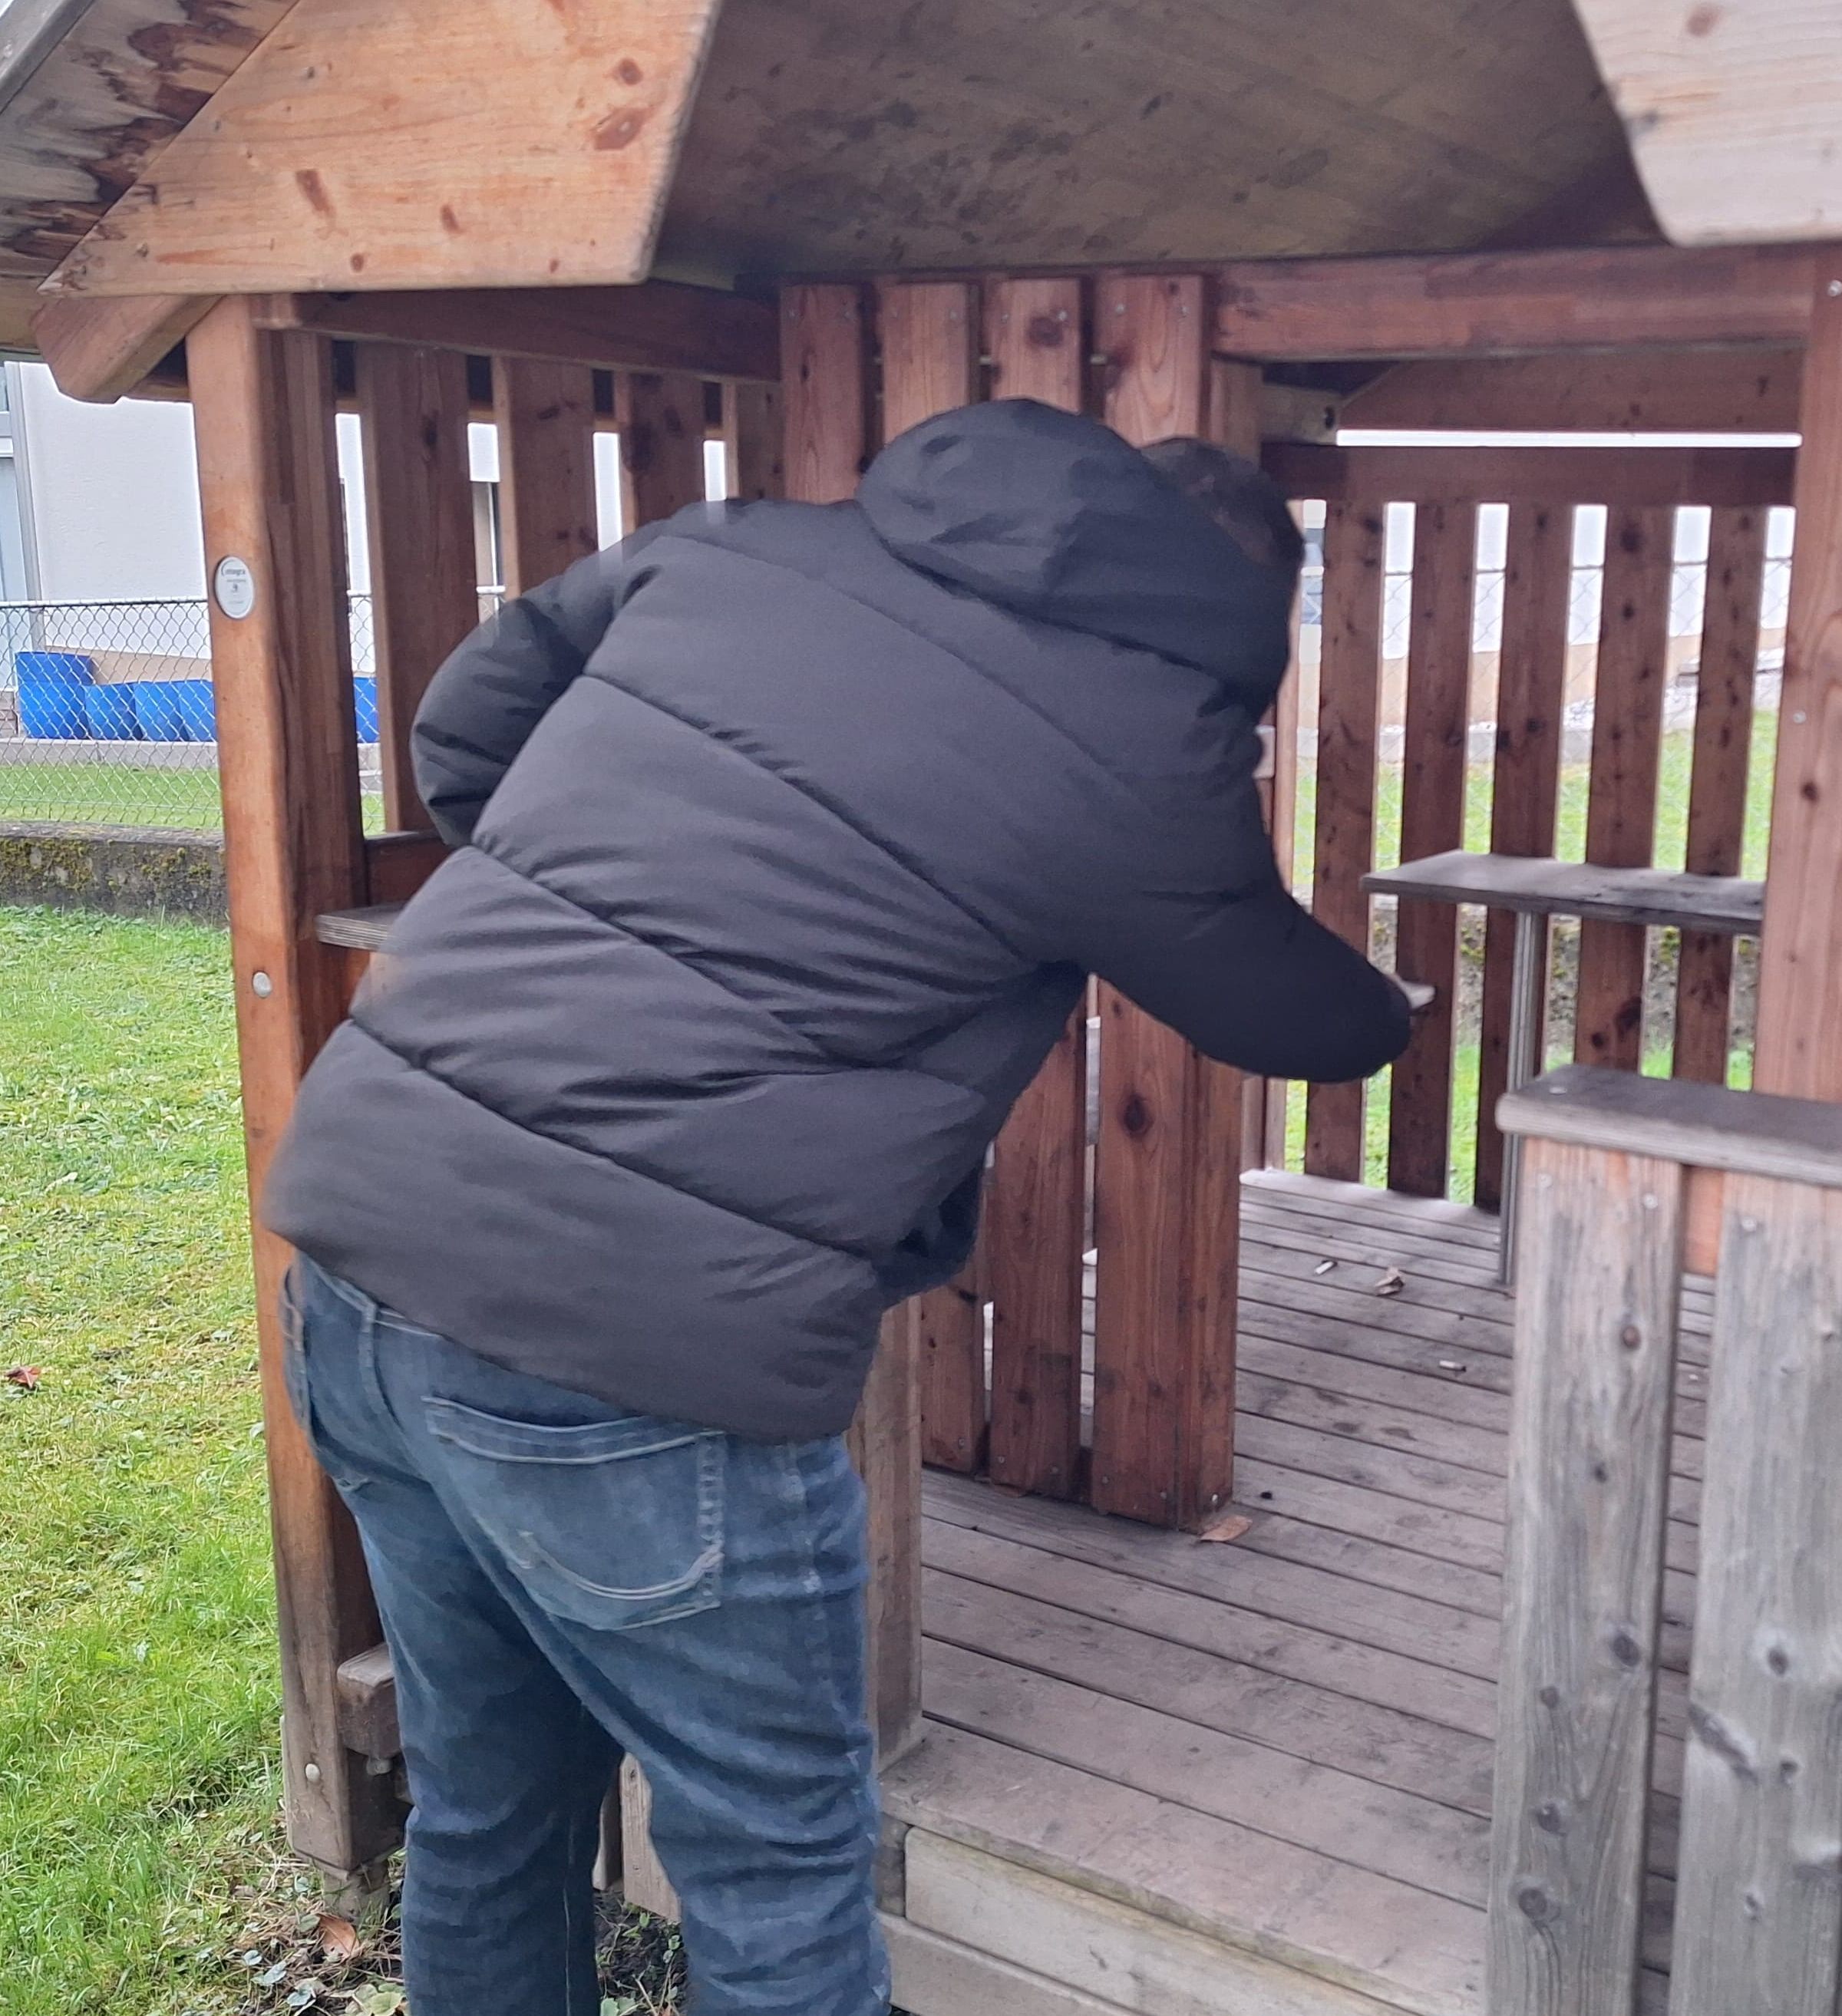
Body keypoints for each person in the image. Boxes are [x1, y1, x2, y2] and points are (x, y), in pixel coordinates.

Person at [260, 398, 1414, 2016]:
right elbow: (1304, 1021)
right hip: (639, 1357)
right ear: (1233, 614)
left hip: (360, 1261)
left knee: (488, 1810)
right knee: (777, 1869)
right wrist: (1403, 1001)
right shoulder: (1138, 746)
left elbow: (464, 735)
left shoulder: (736, 548)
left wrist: (619, 893)